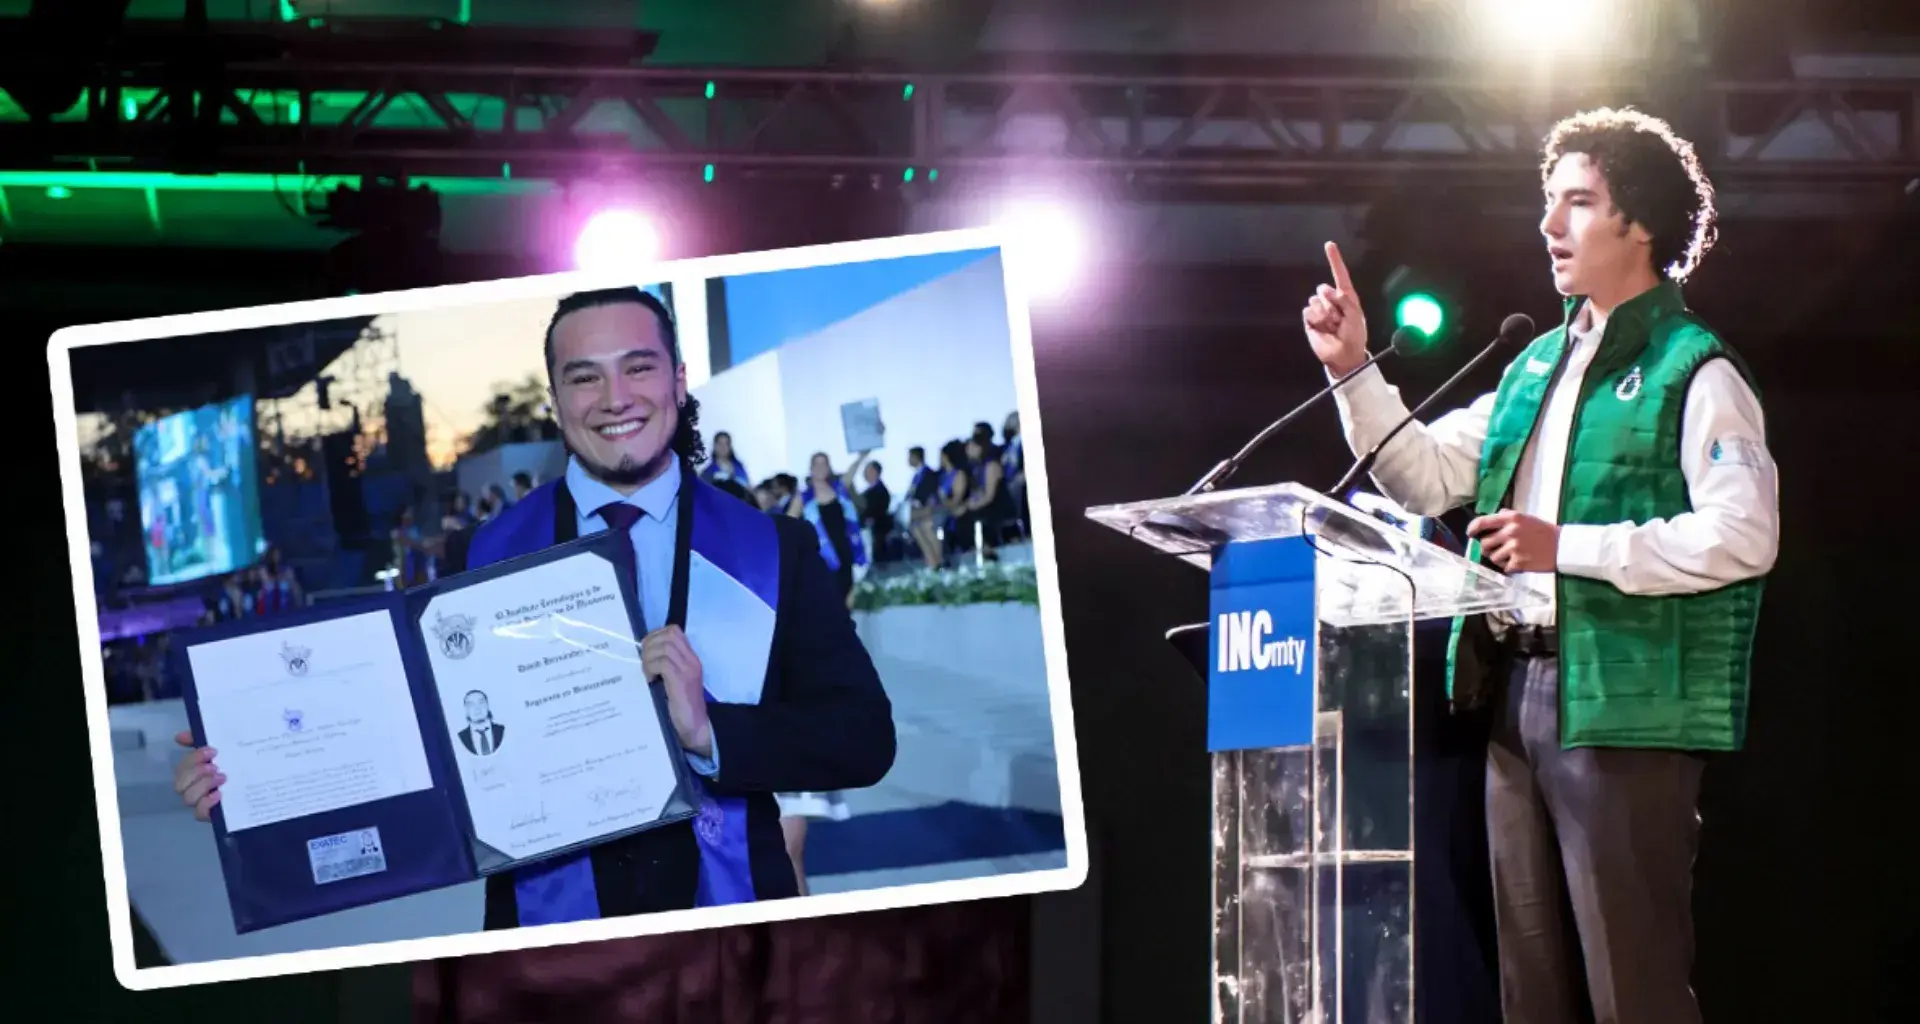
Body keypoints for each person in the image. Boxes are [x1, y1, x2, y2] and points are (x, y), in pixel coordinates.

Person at [173, 285, 896, 930]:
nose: (615, 397)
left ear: (677, 380)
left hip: (734, 939)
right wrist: (255, 783)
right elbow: (419, 751)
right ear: (555, 399)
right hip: (548, 958)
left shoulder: (774, 550)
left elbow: (863, 738)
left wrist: (710, 732)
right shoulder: (480, 556)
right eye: (584, 377)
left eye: (638, 367)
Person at [1303, 107, 1778, 1024]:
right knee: (1531, 992)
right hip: (1513, 693)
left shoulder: (1696, 371)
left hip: (1624, 708)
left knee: (1630, 986)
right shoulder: (1533, 367)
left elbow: (1744, 533)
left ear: (1639, 223)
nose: (1549, 226)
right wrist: (1354, 369)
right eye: (1546, 204)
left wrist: (1571, 552)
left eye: (1577, 204)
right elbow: (1427, 474)